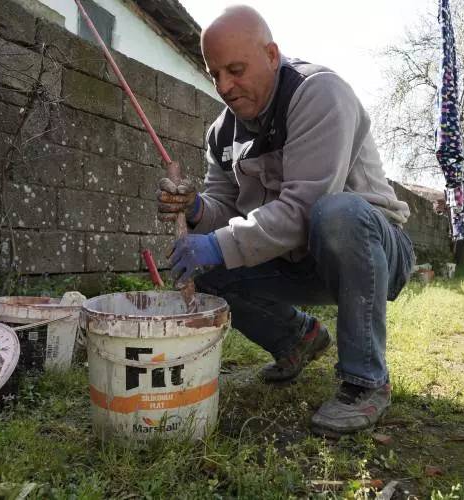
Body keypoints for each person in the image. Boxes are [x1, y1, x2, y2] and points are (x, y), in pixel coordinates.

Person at [157, 5, 414, 437]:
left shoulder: (318, 93)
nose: (224, 86)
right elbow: (227, 207)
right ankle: (297, 339)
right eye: (214, 73)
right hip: (295, 259)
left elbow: (305, 207)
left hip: (370, 252)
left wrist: (218, 243)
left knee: (338, 211)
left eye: (236, 70)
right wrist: (199, 211)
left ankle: (366, 380)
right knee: (207, 269)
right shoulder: (221, 133)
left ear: (272, 55)